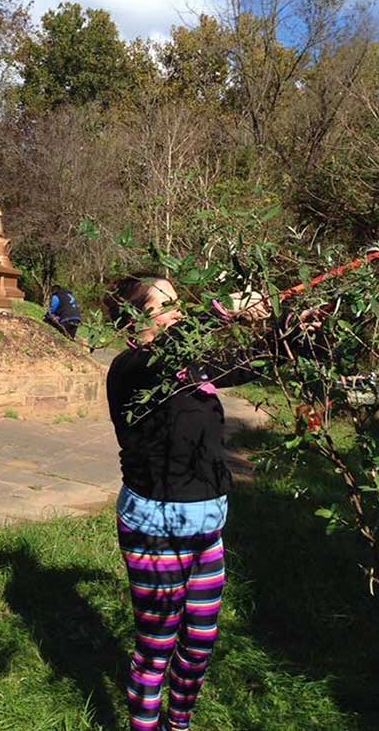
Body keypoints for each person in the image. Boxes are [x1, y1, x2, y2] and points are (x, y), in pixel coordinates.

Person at [105, 275, 273, 731]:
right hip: (154, 527)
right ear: (133, 319)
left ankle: (178, 723)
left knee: (199, 643)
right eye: (167, 305)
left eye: (180, 303)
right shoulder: (131, 368)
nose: (179, 313)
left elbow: (255, 363)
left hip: (207, 526)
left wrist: (285, 329)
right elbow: (156, 365)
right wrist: (224, 309)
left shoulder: (194, 369)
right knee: (156, 647)